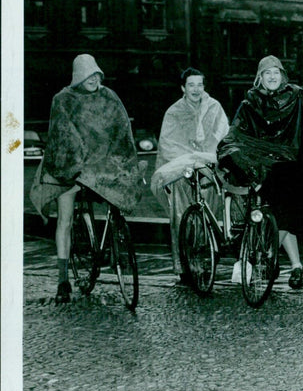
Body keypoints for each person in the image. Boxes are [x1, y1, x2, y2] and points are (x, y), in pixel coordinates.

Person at [29, 54, 143, 304]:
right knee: (65, 218)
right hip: (69, 165)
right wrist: (78, 163)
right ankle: (62, 280)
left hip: (101, 165)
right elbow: (63, 135)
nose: (93, 79)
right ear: (77, 76)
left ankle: (113, 246)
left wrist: (122, 159)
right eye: (87, 75)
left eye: (96, 74)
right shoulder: (63, 100)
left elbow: (122, 129)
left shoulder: (109, 97)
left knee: (119, 192)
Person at [217, 56, 303, 289]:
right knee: (283, 212)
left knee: (288, 207)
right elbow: (238, 133)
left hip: (292, 163)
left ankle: (266, 256)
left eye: (276, 72)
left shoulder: (296, 98)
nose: (272, 77)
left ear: (282, 75)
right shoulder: (250, 102)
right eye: (267, 73)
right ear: (259, 78)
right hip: (265, 165)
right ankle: (295, 266)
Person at [150, 67, 230, 284]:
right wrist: (190, 158)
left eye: (200, 85)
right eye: (191, 85)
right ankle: (184, 265)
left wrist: (205, 156)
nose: (196, 89)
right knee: (181, 215)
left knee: (210, 211)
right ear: (183, 88)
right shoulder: (174, 112)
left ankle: (208, 259)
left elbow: (223, 136)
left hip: (208, 167)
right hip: (182, 170)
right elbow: (168, 144)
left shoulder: (214, 108)